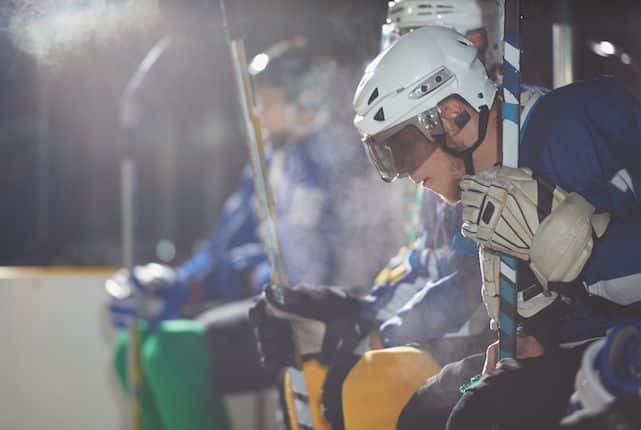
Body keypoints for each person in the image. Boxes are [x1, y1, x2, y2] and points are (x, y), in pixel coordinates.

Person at [107, 34, 405, 430]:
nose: (258, 115)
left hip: (323, 320)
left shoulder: (341, 162)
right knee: (131, 347)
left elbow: (322, 267)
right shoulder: (269, 163)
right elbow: (224, 245)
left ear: (307, 100)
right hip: (266, 306)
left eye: (268, 102)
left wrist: (248, 273)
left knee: (173, 351)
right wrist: (177, 284)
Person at [351, 25, 641, 429]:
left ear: (454, 115)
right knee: (423, 413)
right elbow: (468, 285)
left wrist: (582, 248)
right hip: (571, 347)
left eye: (405, 149)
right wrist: (532, 336)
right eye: (388, 158)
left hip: (623, 351)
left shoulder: (576, 121)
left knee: (481, 414)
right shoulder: (478, 191)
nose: (408, 173)